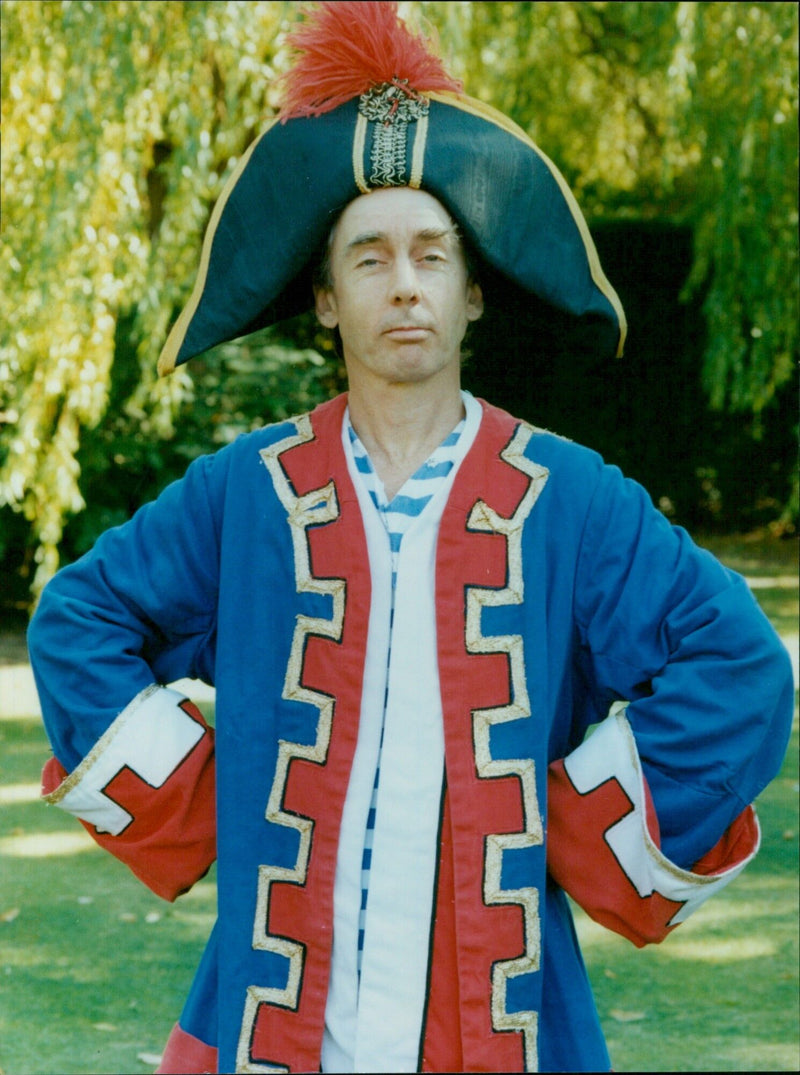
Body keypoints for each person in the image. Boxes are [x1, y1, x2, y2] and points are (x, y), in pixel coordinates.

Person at [28, 4, 793, 1073]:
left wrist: (577, 823)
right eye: (370, 256)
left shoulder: (569, 498)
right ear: (326, 299)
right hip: (272, 1025)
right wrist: (206, 802)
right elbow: (79, 619)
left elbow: (740, 666)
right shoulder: (244, 493)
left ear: (471, 293)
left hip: (501, 1028)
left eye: (431, 254)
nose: (402, 282)